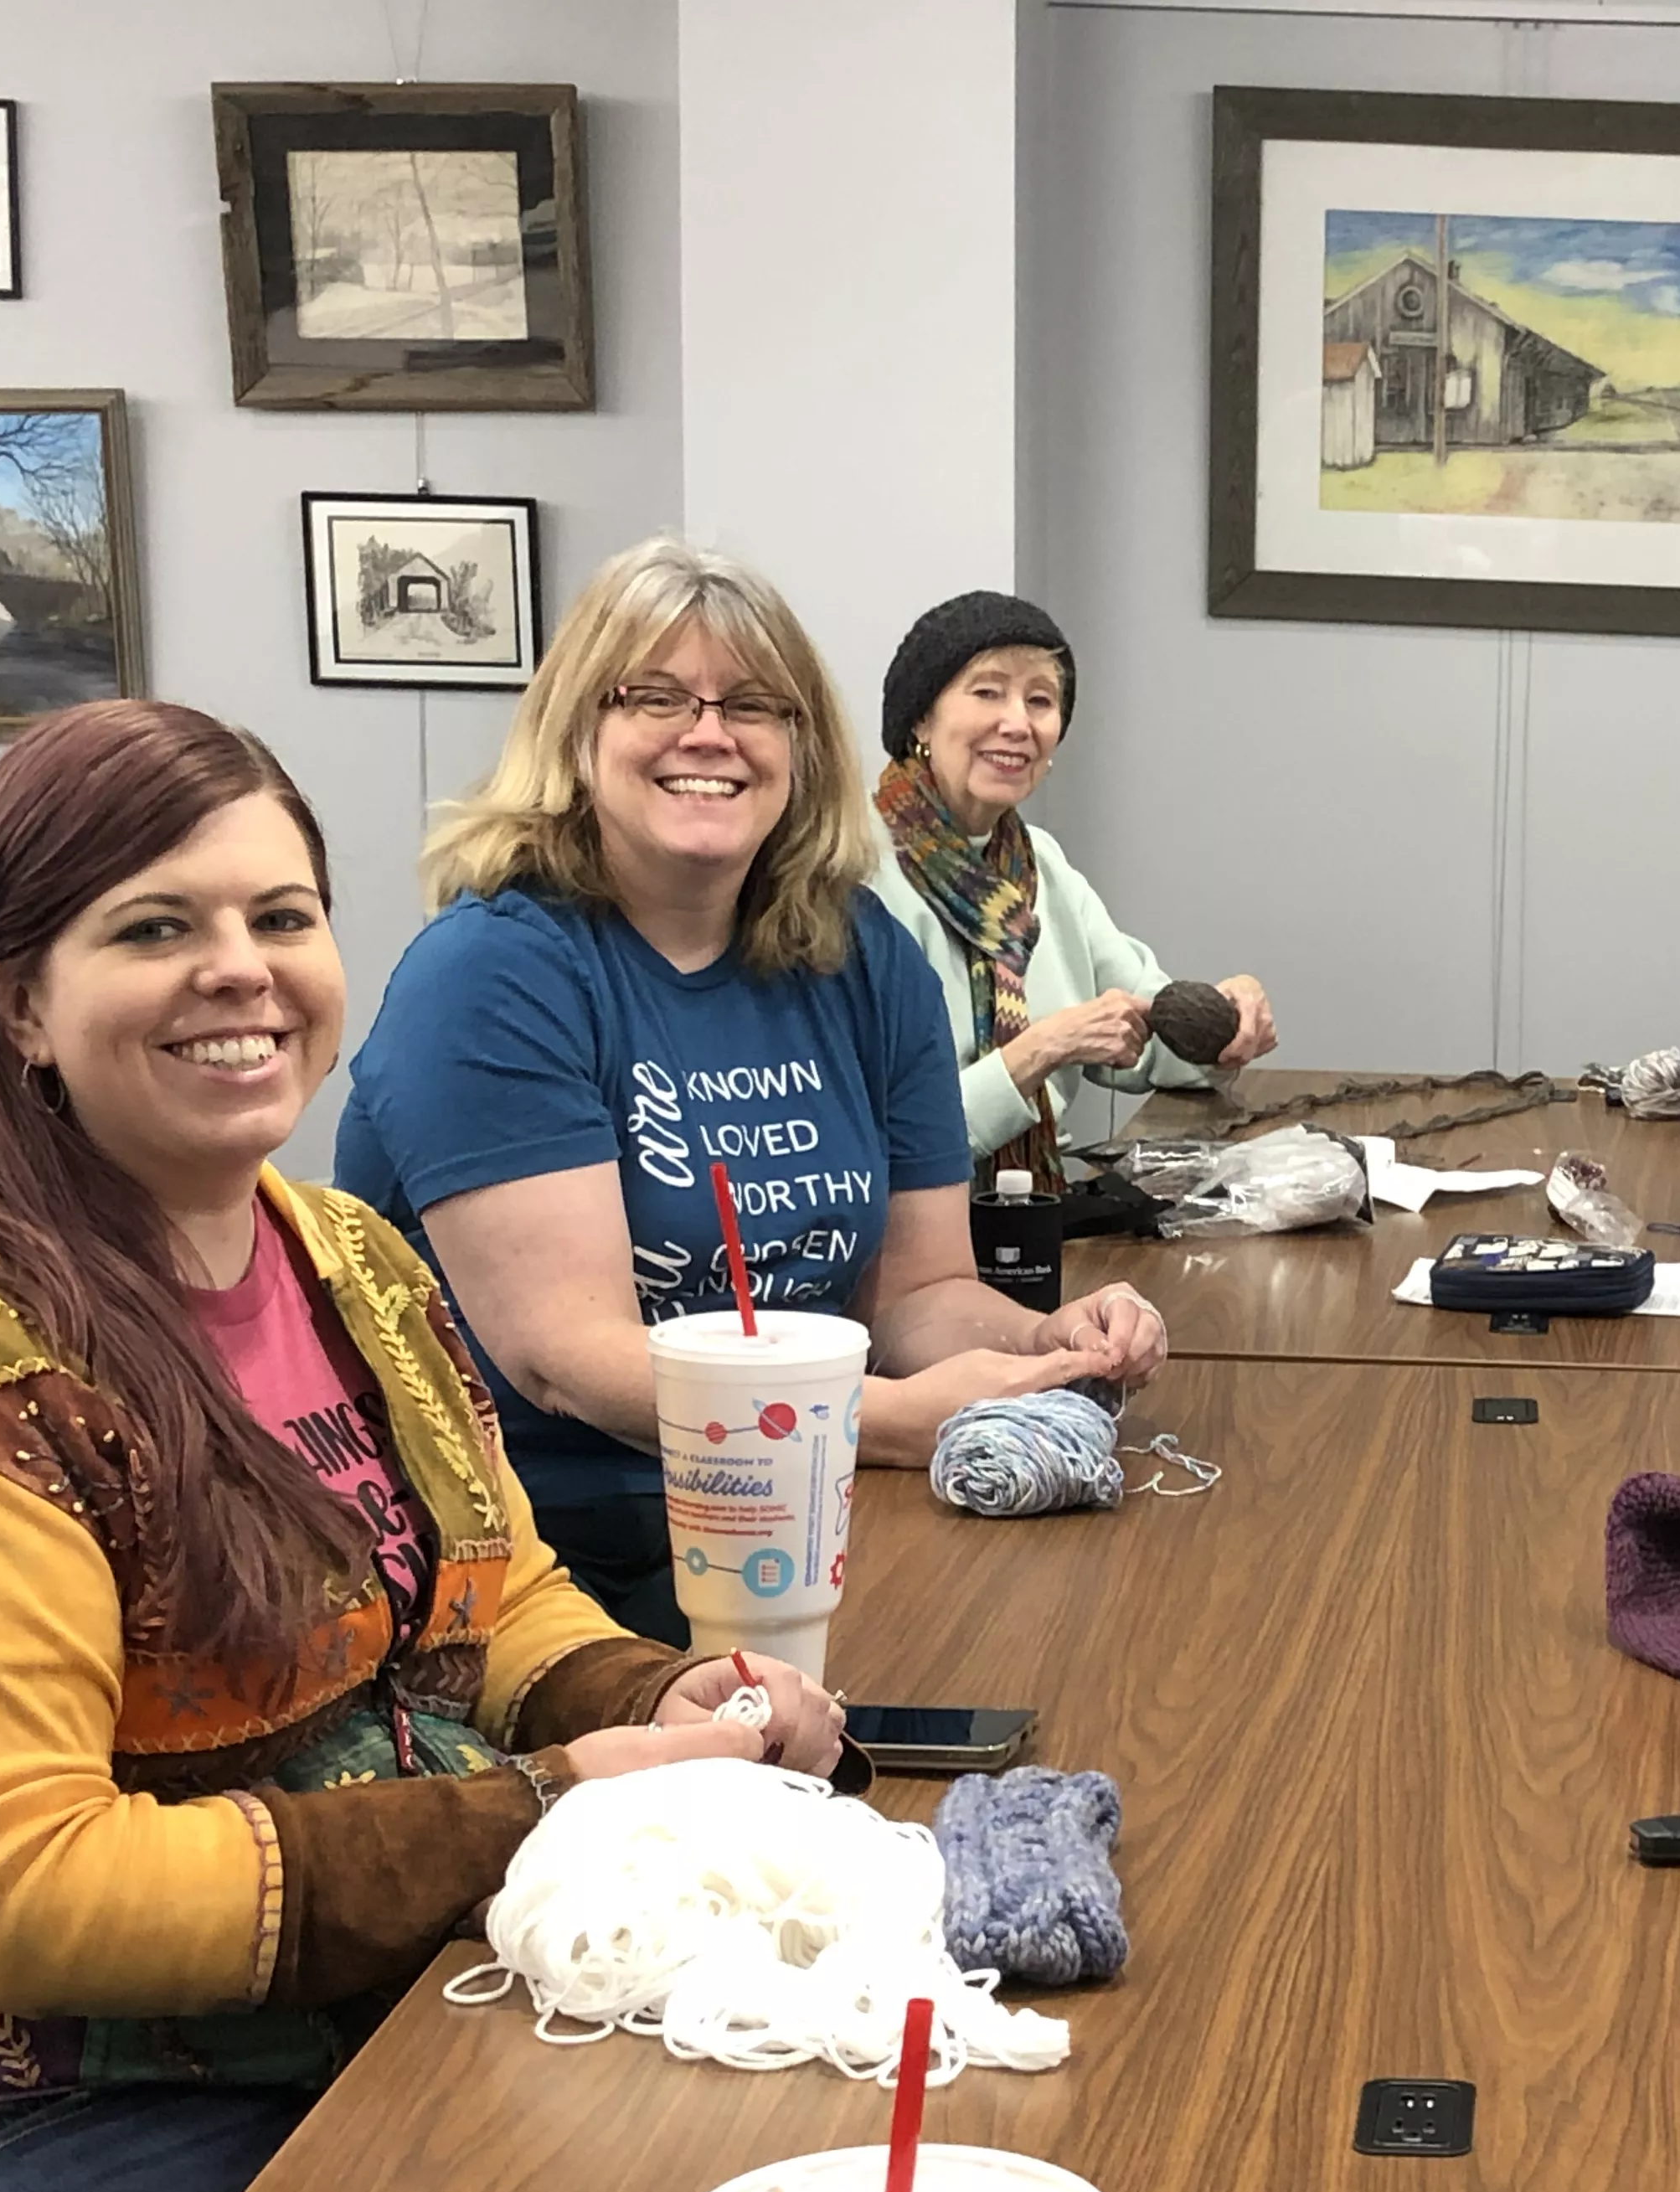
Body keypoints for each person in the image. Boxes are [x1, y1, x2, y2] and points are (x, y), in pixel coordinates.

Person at [0, 700, 842, 2192]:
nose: (244, 974)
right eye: (157, 929)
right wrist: (530, 1820)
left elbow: (496, 1594)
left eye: (282, 918)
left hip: (329, 2039)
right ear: (14, 1005)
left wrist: (652, 1700)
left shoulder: (347, 1257)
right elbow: (3, 1894)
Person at [336, 540, 1167, 1643]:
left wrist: (1044, 1342)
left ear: (799, 743)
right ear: (578, 731)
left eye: (753, 706)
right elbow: (569, 1361)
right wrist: (897, 1420)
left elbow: (916, 1297)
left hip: (801, 1497)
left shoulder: (864, 956)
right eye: (655, 698)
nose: (709, 735)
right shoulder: (494, 974)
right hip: (552, 1550)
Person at [868, 591, 1275, 1187]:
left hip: (1036, 1216)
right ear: (921, 720)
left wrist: (1224, 1020)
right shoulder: (850, 875)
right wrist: (1039, 1051)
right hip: (904, 1236)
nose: (1018, 723)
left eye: (1041, 700)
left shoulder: (1041, 866)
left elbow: (1155, 1036)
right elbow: (872, 1137)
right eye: (987, 692)